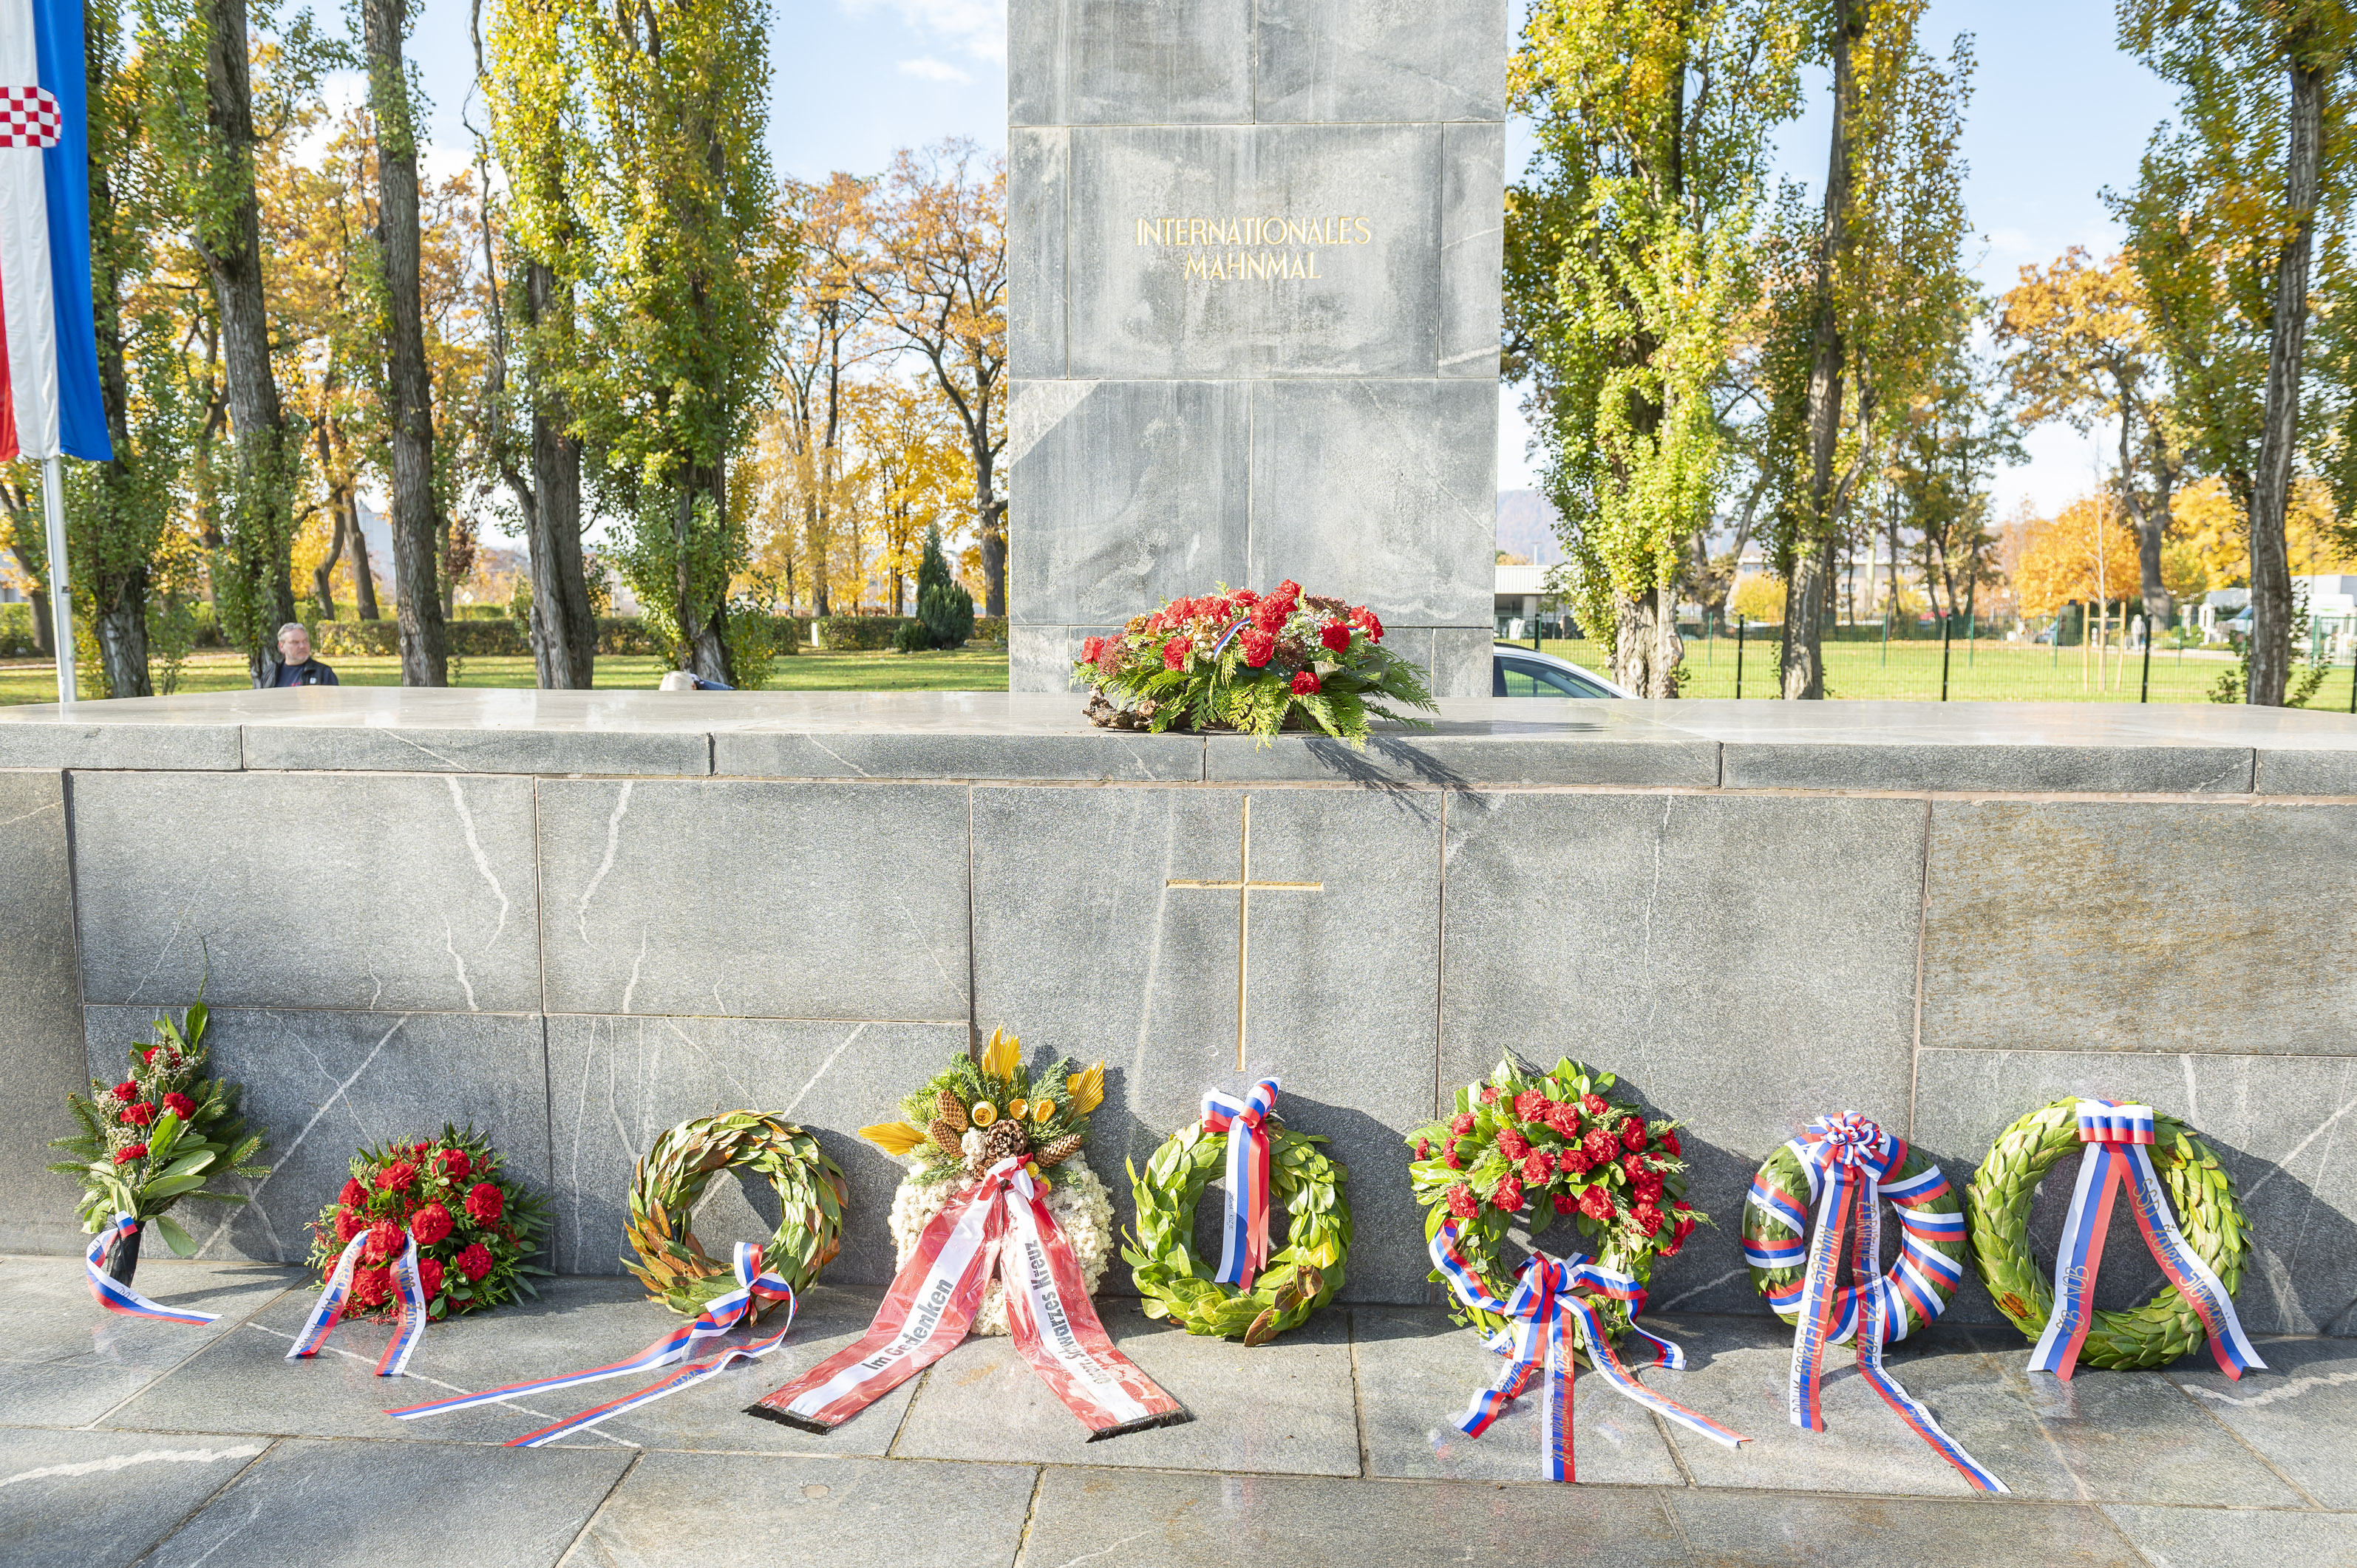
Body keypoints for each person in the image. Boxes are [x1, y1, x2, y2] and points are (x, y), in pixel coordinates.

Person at [255, 622, 339, 689]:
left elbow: (333, 703)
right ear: (281, 647)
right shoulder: (270, 673)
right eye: (295, 642)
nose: (302, 646)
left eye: (305, 641)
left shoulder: (323, 673)